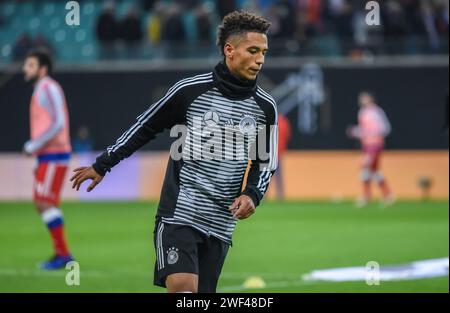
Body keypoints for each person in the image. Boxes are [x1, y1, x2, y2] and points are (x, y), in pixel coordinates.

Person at [70, 11, 278, 293]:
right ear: (230, 50)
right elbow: (144, 127)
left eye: (264, 52)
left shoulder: (265, 108)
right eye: (253, 51)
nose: (260, 59)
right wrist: (103, 163)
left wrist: (252, 194)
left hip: (221, 223)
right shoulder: (189, 91)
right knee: (183, 291)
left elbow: (265, 163)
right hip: (180, 214)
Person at [22, 49, 74, 269]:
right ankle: (62, 253)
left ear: (42, 68)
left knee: (44, 202)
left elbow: (59, 123)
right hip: (46, 154)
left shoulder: (49, 87)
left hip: (55, 153)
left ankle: (63, 254)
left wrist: (34, 145)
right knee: (44, 202)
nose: (25, 68)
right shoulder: (39, 90)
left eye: (31, 65)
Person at [347, 90, 394, 207]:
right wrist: (356, 132)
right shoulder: (362, 112)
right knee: (374, 171)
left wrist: (370, 133)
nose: (362, 100)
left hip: (375, 145)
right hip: (367, 145)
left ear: (371, 99)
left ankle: (366, 196)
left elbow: (385, 128)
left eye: (365, 98)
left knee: (364, 166)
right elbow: (363, 130)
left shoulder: (376, 112)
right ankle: (387, 195)